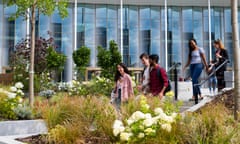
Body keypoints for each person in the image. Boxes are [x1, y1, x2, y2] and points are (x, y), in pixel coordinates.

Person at [183, 38, 208, 104]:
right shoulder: (191, 51)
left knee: (194, 79)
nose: (191, 44)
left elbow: (204, 58)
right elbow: (189, 61)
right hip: (192, 66)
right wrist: (185, 66)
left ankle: (195, 95)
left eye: (192, 42)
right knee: (194, 81)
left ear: (195, 42)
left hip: (199, 65)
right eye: (190, 44)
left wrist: (206, 66)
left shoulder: (200, 49)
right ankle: (199, 95)